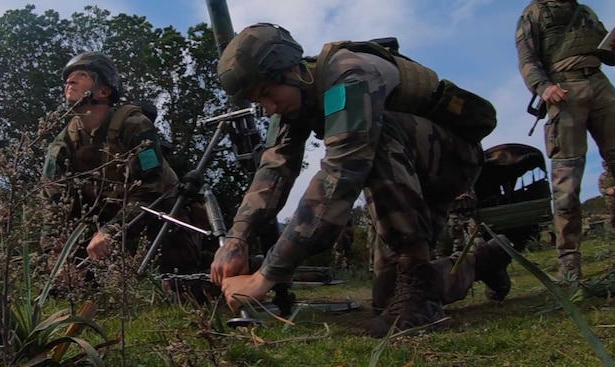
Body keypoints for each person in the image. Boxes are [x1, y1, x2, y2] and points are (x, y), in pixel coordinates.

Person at [209, 23, 510, 336]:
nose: (269, 108)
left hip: (451, 160)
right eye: (260, 102)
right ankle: (484, 261)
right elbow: (273, 170)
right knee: (389, 297)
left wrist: (265, 277)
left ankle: (420, 294)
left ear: (292, 70)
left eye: (269, 94)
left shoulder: (350, 75)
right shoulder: (295, 99)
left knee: (374, 136)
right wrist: (237, 238)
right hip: (407, 174)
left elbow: (341, 175)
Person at [516, 0, 615, 279]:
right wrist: (543, 87)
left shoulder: (586, 13)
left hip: (600, 87)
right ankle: (569, 266)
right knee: (567, 182)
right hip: (564, 91)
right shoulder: (535, 12)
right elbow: (527, 57)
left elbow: (608, 56)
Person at [42, 51, 201, 275]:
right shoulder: (62, 145)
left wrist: (112, 230)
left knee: (179, 281)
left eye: (82, 74)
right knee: (69, 283)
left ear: (104, 91)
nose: (70, 81)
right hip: (105, 215)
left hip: (161, 210)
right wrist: (55, 259)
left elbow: (151, 188)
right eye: (68, 77)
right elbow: (54, 205)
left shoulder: (134, 126)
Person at [598, 161, 615, 235]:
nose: (606, 167)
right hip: (609, 199)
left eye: (607, 165)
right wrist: (607, 191)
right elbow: (600, 189)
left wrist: (614, 188)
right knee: (612, 217)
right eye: (605, 166)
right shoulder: (601, 177)